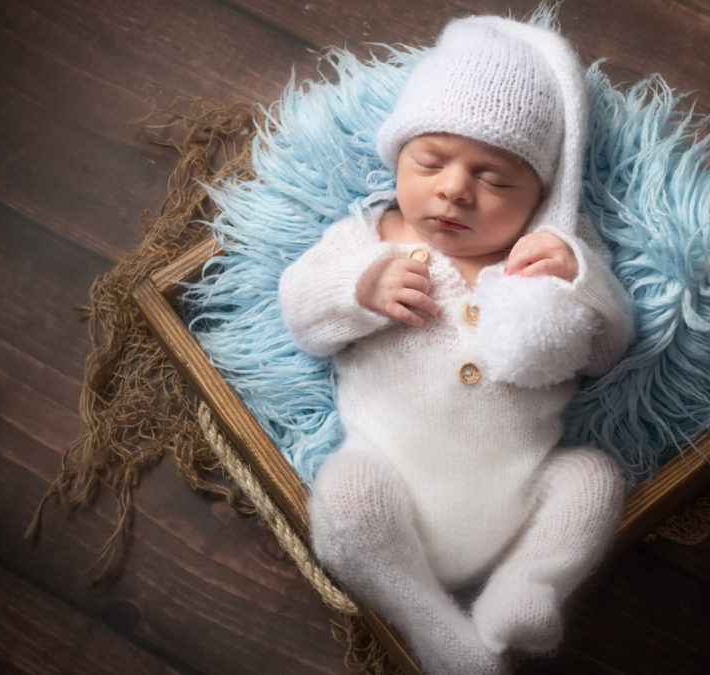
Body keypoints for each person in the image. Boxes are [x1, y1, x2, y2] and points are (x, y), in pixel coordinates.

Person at [279, 14, 635, 674]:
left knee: (593, 480)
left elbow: (607, 349)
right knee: (346, 495)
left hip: (521, 494)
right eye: (431, 161)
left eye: (495, 178)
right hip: (392, 492)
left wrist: (580, 279)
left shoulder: (551, 256)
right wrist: (359, 288)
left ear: (542, 195)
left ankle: (524, 587)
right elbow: (299, 309)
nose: (453, 189)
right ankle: (432, 623)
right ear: (399, 155)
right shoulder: (369, 235)